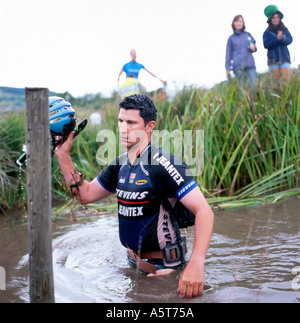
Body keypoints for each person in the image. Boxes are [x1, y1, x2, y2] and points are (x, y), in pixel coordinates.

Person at [55, 94, 214, 298]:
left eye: (131, 122)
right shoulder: (119, 164)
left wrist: (196, 264)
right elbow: (84, 195)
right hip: (132, 264)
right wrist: (63, 156)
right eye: (120, 121)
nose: (123, 128)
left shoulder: (163, 164)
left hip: (165, 270)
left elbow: (205, 212)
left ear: (149, 126)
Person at [225, 15, 257, 87]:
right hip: (238, 67)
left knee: (254, 86)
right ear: (233, 23)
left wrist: (253, 48)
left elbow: (254, 47)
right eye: (236, 21)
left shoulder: (248, 35)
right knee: (241, 89)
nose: (239, 23)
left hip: (250, 65)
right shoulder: (231, 38)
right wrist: (227, 68)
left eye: (240, 21)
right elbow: (228, 54)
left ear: (243, 23)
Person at [263, 5, 293, 81]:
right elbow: (266, 44)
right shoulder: (266, 32)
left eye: (277, 17)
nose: (276, 19)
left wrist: (282, 38)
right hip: (273, 61)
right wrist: (277, 39)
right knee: (276, 84)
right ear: (270, 19)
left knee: (286, 83)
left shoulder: (284, 29)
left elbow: (290, 40)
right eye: (273, 17)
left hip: (285, 59)